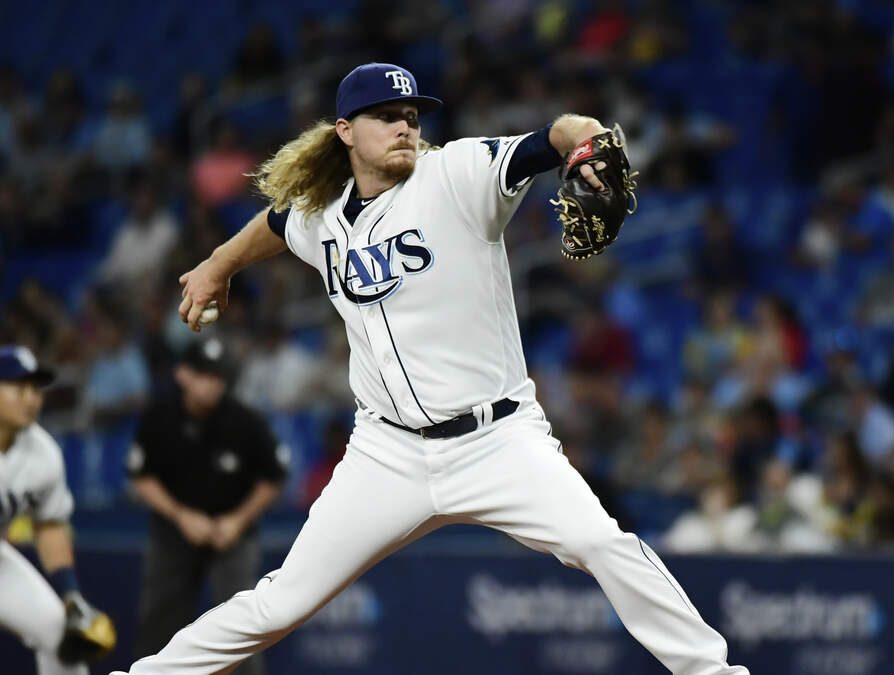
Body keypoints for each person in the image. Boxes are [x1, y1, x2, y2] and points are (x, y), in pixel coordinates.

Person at [111, 63, 748, 675]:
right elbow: (278, 223)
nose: (404, 127)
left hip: (497, 440)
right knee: (281, 603)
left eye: (412, 116)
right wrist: (218, 264)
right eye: (386, 116)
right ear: (345, 131)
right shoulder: (322, 215)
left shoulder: (456, 174)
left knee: (600, 544)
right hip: (386, 453)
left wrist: (586, 137)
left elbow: (555, 136)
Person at [126, 337, 286, 675]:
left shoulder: (244, 420)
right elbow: (142, 476)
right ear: (182, 374)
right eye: (203, 374)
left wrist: (238, 520)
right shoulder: (159, 416)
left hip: (231, 535)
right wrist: (181, 516)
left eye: (218, 376)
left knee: (243, 624)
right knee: (160, 621)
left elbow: (273, 477)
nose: (212, 383)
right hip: (174, 532)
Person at [0, 345, 113, 675]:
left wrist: (70, 595)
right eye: (18, 387)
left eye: (36, 389)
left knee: (60, 635)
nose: (31, 398)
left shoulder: (44, 453)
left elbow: (49, 525)